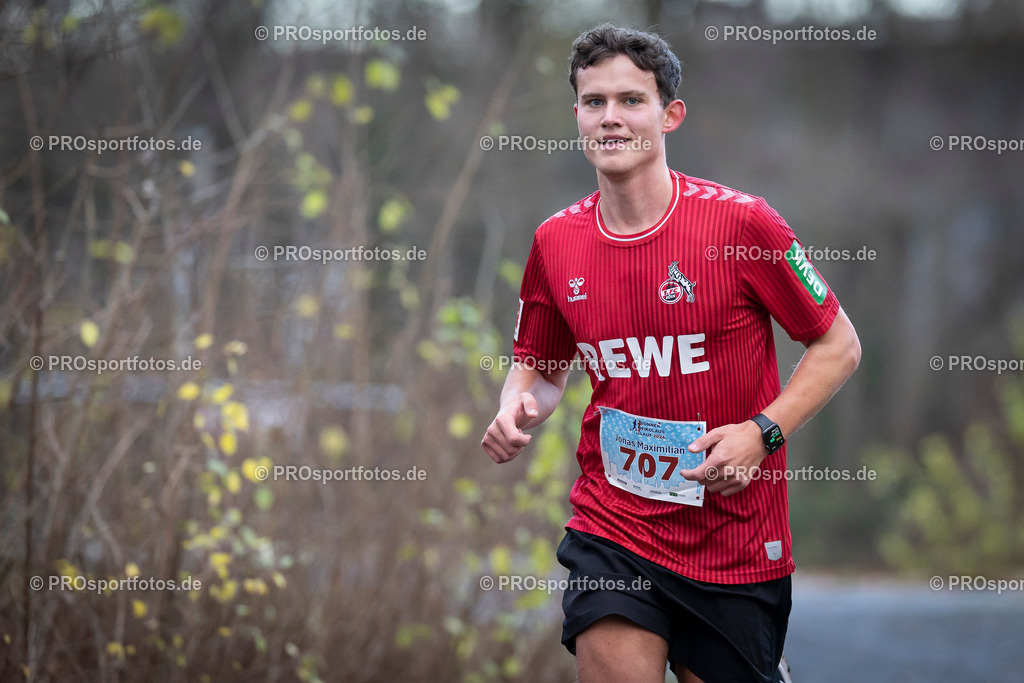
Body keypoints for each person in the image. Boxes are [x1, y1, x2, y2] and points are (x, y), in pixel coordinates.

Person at [480, 23, 861, 683]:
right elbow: (540, 367)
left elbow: (838, 344)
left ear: (669, 115)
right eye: (594, 101)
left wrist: (761, 433)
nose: (611, 117)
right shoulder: (555, 242)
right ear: (577, 116)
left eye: (631, 100)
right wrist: (518, 404)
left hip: (734, 539)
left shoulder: (742, 223)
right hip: (613, 526)